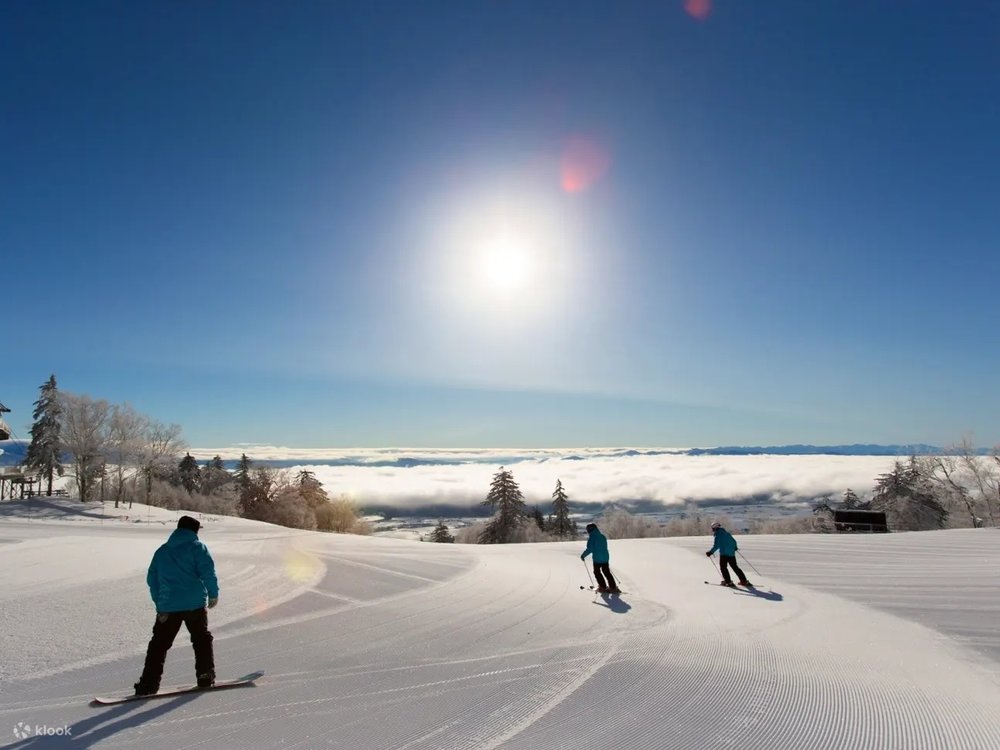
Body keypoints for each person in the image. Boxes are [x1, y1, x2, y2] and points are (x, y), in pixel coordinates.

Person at [134, 515, 219, 696]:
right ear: (193, 531)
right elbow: (208, 572)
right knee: (201, 639)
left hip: (168, 607)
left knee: (158, 645)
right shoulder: (197, 548)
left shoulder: (162, 551)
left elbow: (152, 580)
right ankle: (205, 675)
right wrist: (213, 594)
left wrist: (160, 604)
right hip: (194, 605)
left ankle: (148, 685)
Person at [706, 521, 752, 588]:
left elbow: (716, 546)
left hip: (724, 554)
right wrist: (735, 548)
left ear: (715, 528)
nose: (712, 530)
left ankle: (728, 582)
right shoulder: (727, 533)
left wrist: (710, 552)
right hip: (731, 554)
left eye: (712, 528)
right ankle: (744, 581)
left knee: (723, 568)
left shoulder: (718, 535)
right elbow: (734, 541)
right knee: (735, 567)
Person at [581, 522, 620, 594]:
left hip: (597, 559)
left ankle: (602, 587)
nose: (587, 531)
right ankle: (613, 587)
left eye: (587, 530)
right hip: (605, 558)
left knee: (597, 572)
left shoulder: (592, 538)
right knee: (607, 572)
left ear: (590, 530)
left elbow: (590, 549)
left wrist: (583, 555)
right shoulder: (602, 536)